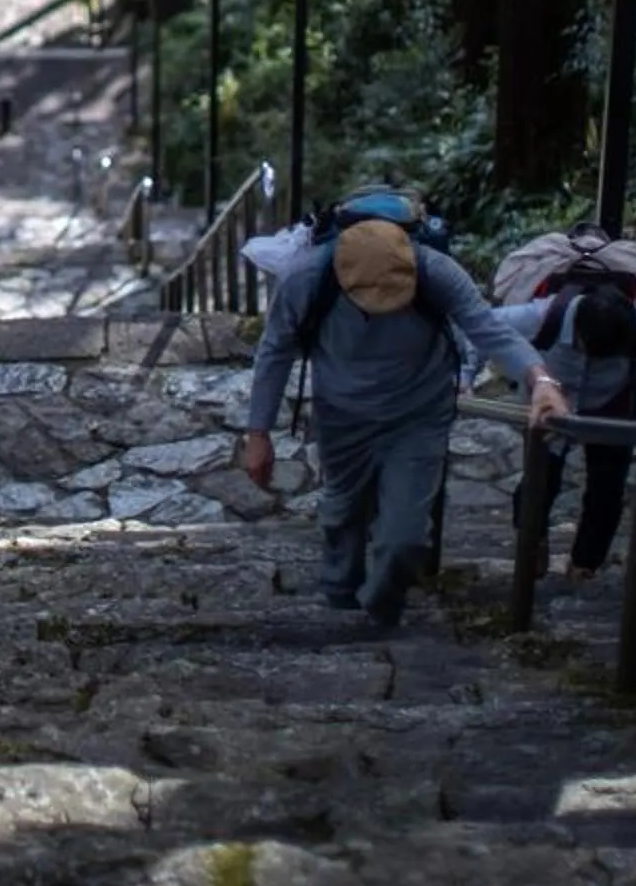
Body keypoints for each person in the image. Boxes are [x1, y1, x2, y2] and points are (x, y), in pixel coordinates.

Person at [241, 218, 565, 627]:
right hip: (342, 412)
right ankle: (341, 596)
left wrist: (542, 381)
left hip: (419, 413)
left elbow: (487, 329)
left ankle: (382, 607)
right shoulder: (306, 278)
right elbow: (274, 351)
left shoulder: (436, 271)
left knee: (407, 533)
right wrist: (258, 433)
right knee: (343, 511)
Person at [495, 291, 636, 582]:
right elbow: (480, 326)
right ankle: (532, 546)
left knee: (607, 489)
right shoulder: (541, 317)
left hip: (612, 405)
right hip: (550, 409)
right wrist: (464, 376)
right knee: (539, 481)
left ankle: (585, 564)